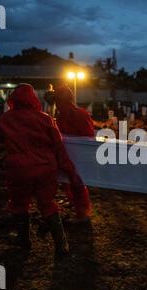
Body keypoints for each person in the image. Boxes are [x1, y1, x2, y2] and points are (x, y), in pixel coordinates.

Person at [0, 84, 85, 259]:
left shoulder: (5, 119)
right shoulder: (45, 119)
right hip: (45, 168)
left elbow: (1, 141)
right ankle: (62, 245)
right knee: (47, 204)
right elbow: (59, 148)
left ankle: (23, 240)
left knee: (19, 204)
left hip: (19, 169)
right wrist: (71, 172)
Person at [54, 84, 94, 222]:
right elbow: (89, 134)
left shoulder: (62, 114)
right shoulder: (81, 113)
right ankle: (78, 207)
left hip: (68, 155)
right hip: (79, 154)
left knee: (74, 183)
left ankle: (82, 213)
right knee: (74, 182)